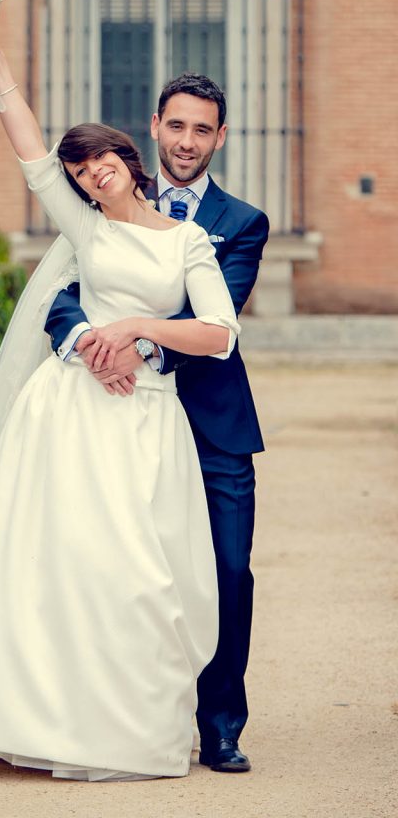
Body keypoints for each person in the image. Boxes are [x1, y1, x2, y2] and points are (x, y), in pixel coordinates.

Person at [0, 29, 240, 781]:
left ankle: (127, 726)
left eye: (101, 158)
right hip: (69, 413)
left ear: (128, 158)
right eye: (79, 168)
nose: (92, 171)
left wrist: (137, 328)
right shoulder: (85, 227)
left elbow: (219, 334)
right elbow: (27, 145)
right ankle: (36, 716)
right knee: (60, 565)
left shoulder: (190, 244)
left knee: (143, 576)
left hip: (147, 418)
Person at [45, 73, 269, 773]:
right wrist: (86, 340)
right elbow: (64, 294)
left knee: (226, 570)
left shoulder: (242, 223)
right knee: (127, 567)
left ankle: (221, 725)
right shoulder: (103, 198)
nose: (187, 141)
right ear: (154, 126)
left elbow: (216, 315)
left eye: (202, 130)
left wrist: (135, 342)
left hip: (213, 423)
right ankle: (139, 714)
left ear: (220, 137)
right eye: (177, 126)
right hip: (124, 417)